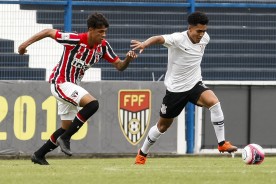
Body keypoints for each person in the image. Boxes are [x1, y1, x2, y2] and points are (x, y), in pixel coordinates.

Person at [18, 13, 137, 165]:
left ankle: (39, 155)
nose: (103, 35)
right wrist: (24, 45)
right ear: (90, 30)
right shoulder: (75, 40)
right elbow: (48, 32)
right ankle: (66, 139)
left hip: (72, 86)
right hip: (60, 82)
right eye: (100, 32)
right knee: (93, 104)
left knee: (66, 127)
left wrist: (127, 59)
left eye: (105, 32)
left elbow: (119, 66)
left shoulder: (103, 47)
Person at [131, 11, 237, 165]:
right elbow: (159, 38)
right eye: (198, 31)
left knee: (214, 102)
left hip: (194, 84)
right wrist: (145, 44)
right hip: (176, 91)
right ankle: (142, 154)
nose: (201, 34)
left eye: (204, 31)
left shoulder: (205, 39)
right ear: (190, 28)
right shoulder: (178, 39)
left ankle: (222, 144)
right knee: (162, 126)